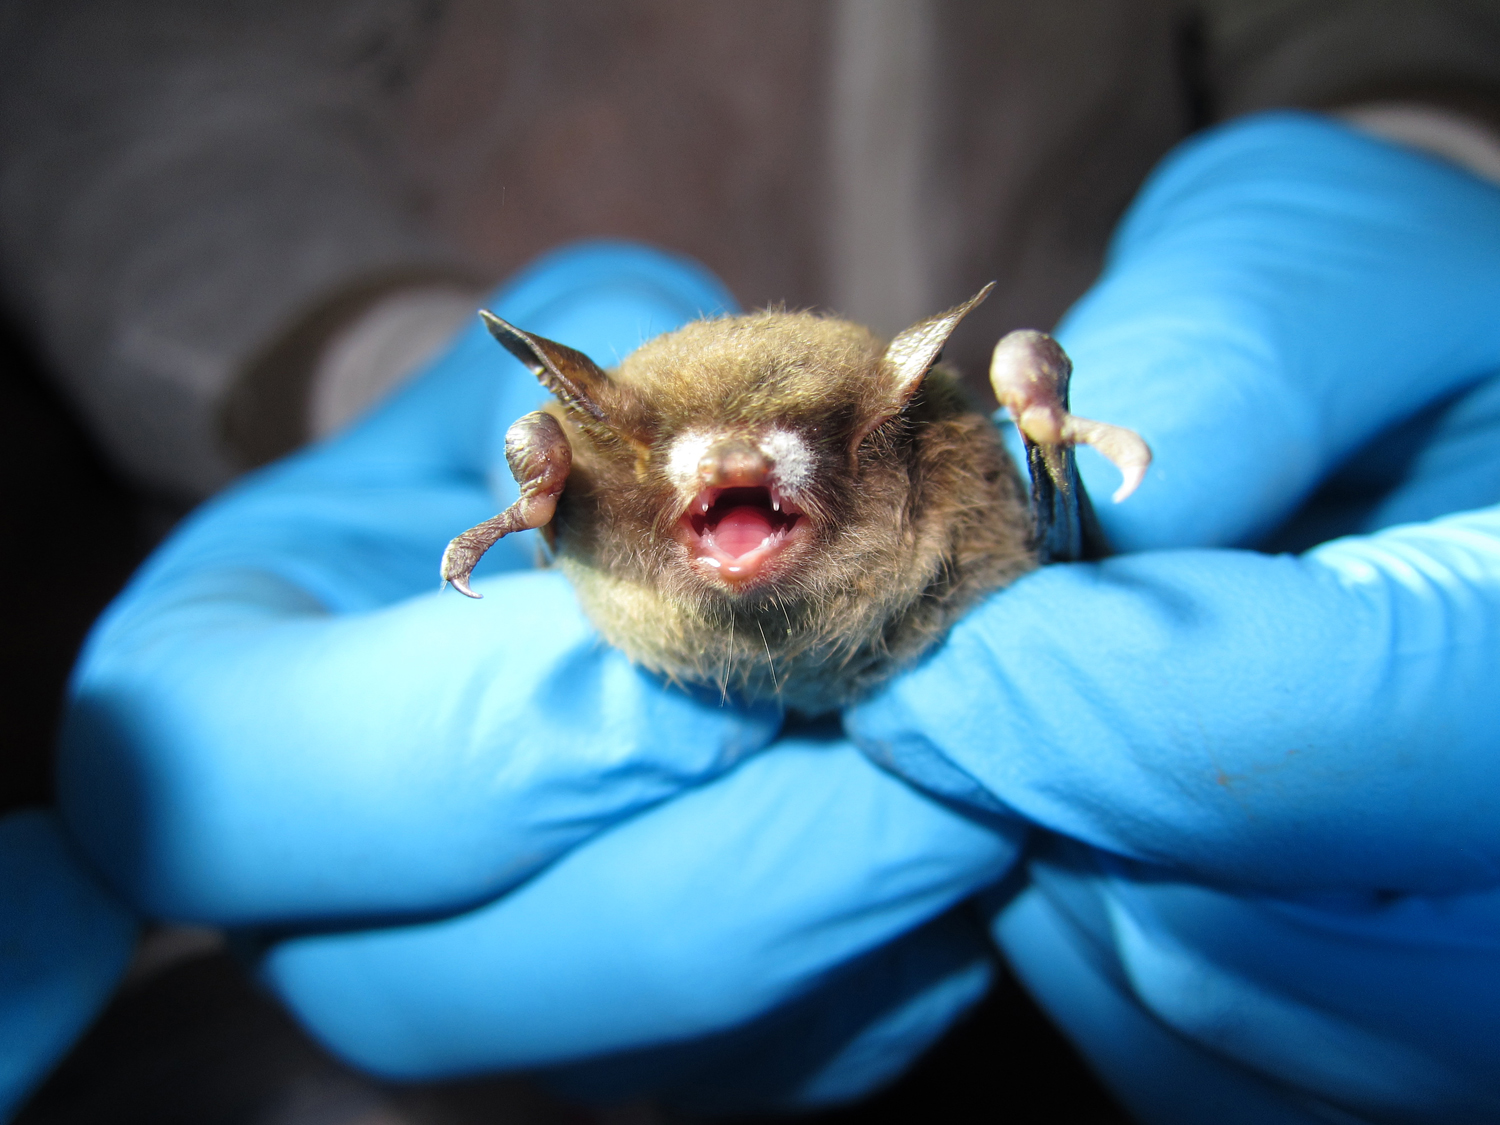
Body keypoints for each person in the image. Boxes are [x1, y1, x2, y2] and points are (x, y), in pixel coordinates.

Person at [7, 4, 1500, 1122]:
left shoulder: (936, 449)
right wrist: (371, 360)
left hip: (997, 406)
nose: (723, 492)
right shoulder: (615, 488)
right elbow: (122, 71)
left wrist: (1428, 144)